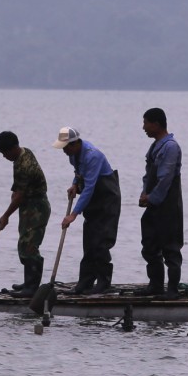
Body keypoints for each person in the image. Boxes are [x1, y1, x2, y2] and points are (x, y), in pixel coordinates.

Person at [53, 126, 121, 295]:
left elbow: (89, 187)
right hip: (93, 202)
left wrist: (73, 214)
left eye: (65, 147)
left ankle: (104, 282)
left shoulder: (93, 156)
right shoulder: (73, 156)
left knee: (101, 242)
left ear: (75, 144)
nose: (64, 151)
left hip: (107, 200)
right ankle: (85, 282)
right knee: (89, 242)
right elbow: (79, 173)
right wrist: (75, 184)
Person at [0, 131, 51, 298]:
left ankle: (32, 288)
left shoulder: (24, 165)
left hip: (37, 207)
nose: (4, 157)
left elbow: (19, 196)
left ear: (12, 149)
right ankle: (28, 282)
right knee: (24, 244)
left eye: (5, 153)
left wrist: (5, 216)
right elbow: (18, 190)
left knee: (30, 246)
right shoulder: (22, 154)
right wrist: (14, 197)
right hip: (28, 205)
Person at [136, 108, 184, 299]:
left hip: (168, 206)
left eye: (146, 123)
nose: (144, 127)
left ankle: (172, 290)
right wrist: (144, 193)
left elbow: (165, 178)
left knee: (171, 247)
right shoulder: (156, 146)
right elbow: (149, 175)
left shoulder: (170, 147)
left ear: (156, 124)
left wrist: (152, 198)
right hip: (154, 205)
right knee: (149, 244)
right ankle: (155, 285)